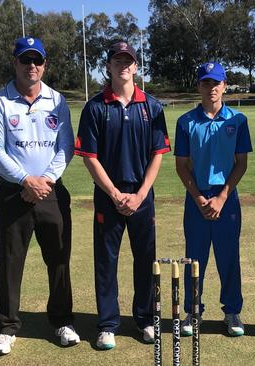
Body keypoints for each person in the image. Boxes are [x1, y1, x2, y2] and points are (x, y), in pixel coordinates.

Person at [0, 36, 79, 356]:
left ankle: (62, 321)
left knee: (59, 259)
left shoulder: (57, 101)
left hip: (51, 192)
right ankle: (7, 327)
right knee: (10, 262)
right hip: (13, 193)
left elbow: (66, 145)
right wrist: (26, 179)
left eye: (37, 60)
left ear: (44, 64)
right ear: (15, 63)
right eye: (25, 60)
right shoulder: (0, 101)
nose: (32, 66)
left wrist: (45, 181)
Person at [75, 41, 171, 350]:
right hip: (108, 195)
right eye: (118, 60)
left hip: (142, 196)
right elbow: (89, 156)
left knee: (145, 260)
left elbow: (158, 153)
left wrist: (141, 193)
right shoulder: (95, 107)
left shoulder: (151, 106)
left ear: (136, 65)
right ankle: (107, 324)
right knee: (106, 262)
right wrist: (115, 193)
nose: (124, 65)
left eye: (128, 60)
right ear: (109, 66)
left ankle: (145, 320)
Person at [174, 62, 252, 337]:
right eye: (206, 82)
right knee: (195, 259)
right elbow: (181, 165)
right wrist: (198, 198)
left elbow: (241, 164)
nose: (212, 88)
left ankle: (232, 312)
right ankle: (192, 312)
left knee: (228, 258)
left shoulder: (238, 120)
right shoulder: (185, 122)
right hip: (196, 199)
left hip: (226, 198)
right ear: (199, 86)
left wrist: (221, 197)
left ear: (225, 86)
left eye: (216, 82)